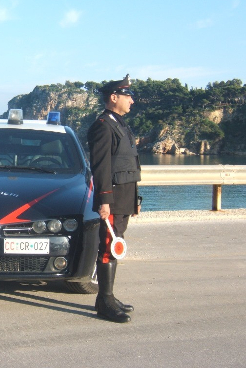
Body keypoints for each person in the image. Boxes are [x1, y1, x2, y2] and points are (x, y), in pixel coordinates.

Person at [87, 74, 142, 323]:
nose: (132, 100)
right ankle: (104, 300)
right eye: (128, 96)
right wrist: (105, 201)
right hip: (113, 199)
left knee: (115, 245)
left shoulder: (119, 124)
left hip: (124, 198)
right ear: (113, 97)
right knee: (108, 247)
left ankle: (107, 296)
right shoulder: (103, 125)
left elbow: (128, 164)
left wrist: (135, 199)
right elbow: (101, 167)